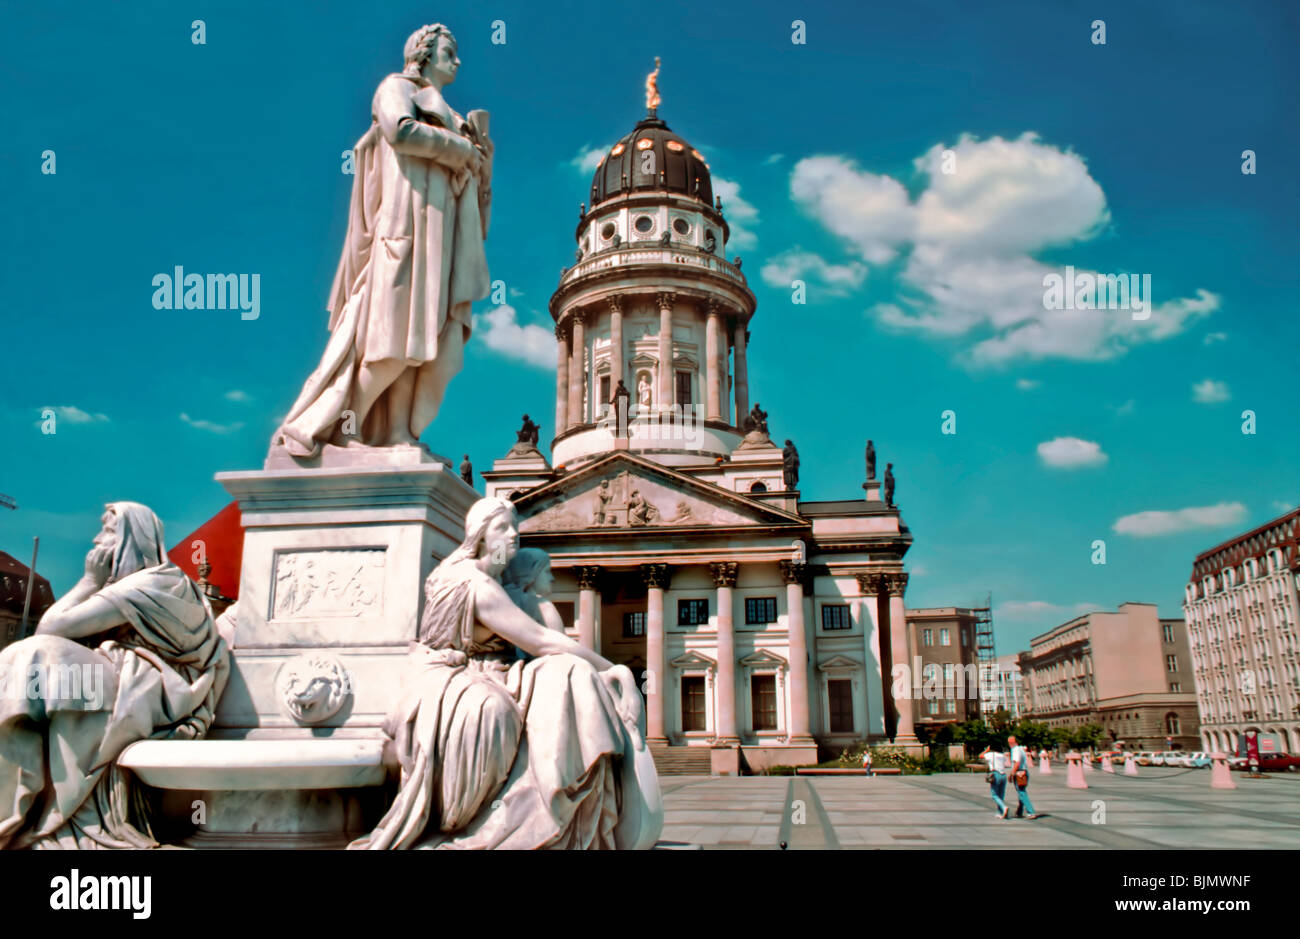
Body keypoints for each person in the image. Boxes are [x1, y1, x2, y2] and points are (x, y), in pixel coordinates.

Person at [349, 497, 661, 849]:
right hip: (452, 681)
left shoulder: (491, 574)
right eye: (503, 528)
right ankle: (539, 813)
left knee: (568, 674)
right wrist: (616, 669)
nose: (514, 535)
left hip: (490, 670)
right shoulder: (476, 585)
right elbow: (541, 640)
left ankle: (566, 807)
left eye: (515, 527)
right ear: (480, 534)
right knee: (548, 681)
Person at [271, 23, 494, 457]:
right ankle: (341, 426)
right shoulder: (396, 87)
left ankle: (398, 434)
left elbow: (474, 190)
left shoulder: (457, 118)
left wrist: (482, 161)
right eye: (450, 50)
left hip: (440, 232)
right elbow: (400, 131)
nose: (458, 59)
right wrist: (460, 150)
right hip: (405, 225)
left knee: (425, 340)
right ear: (423, 54)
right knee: (392, 335)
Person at [0, 502, 230, 848]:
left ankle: (22, 815)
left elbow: (50, 628)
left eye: (107, 531)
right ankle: (24, 808)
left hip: (155, 687)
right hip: (141, 681)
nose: (95, 539)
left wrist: (89, 580)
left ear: (130, 539)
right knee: (29, 665)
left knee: (32, 656)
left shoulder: (151, 585)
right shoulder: (157, 582)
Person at [1007, 735, 1039, 819]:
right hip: (1024, 772)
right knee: (1021, 792)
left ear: (1011, 743)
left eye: (1009, 742)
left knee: (1022, 792)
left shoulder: (1015, 750)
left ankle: (1031, 811)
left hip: (1019, 773)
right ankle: (1019, 811)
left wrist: (1012, 773)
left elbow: (1017, 762)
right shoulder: (1021, 749)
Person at [979, 743, 1010, 819]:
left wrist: (986, 750)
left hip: (995, 774)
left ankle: (1004, 807)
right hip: (1003, 775)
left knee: (994, 795)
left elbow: (980, 756)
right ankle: (1001, 812)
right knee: (1001, 795)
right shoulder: (1002, 755)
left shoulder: (990, 754)